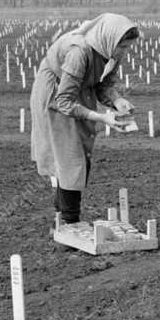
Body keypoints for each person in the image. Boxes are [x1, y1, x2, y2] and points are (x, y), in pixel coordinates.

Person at [30, 13, 140, 226]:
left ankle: (61, 219)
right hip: (56, 95)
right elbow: (63, 101)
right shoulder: (79, 52)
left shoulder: (110, 51)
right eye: (123, 47)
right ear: (110, 39)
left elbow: (103, 85)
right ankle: (70, 223)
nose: (124, 52)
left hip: (78, 93)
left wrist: (117, 101)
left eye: (127, 47)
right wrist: (101, 117)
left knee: (77, 155)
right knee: (71, 157)